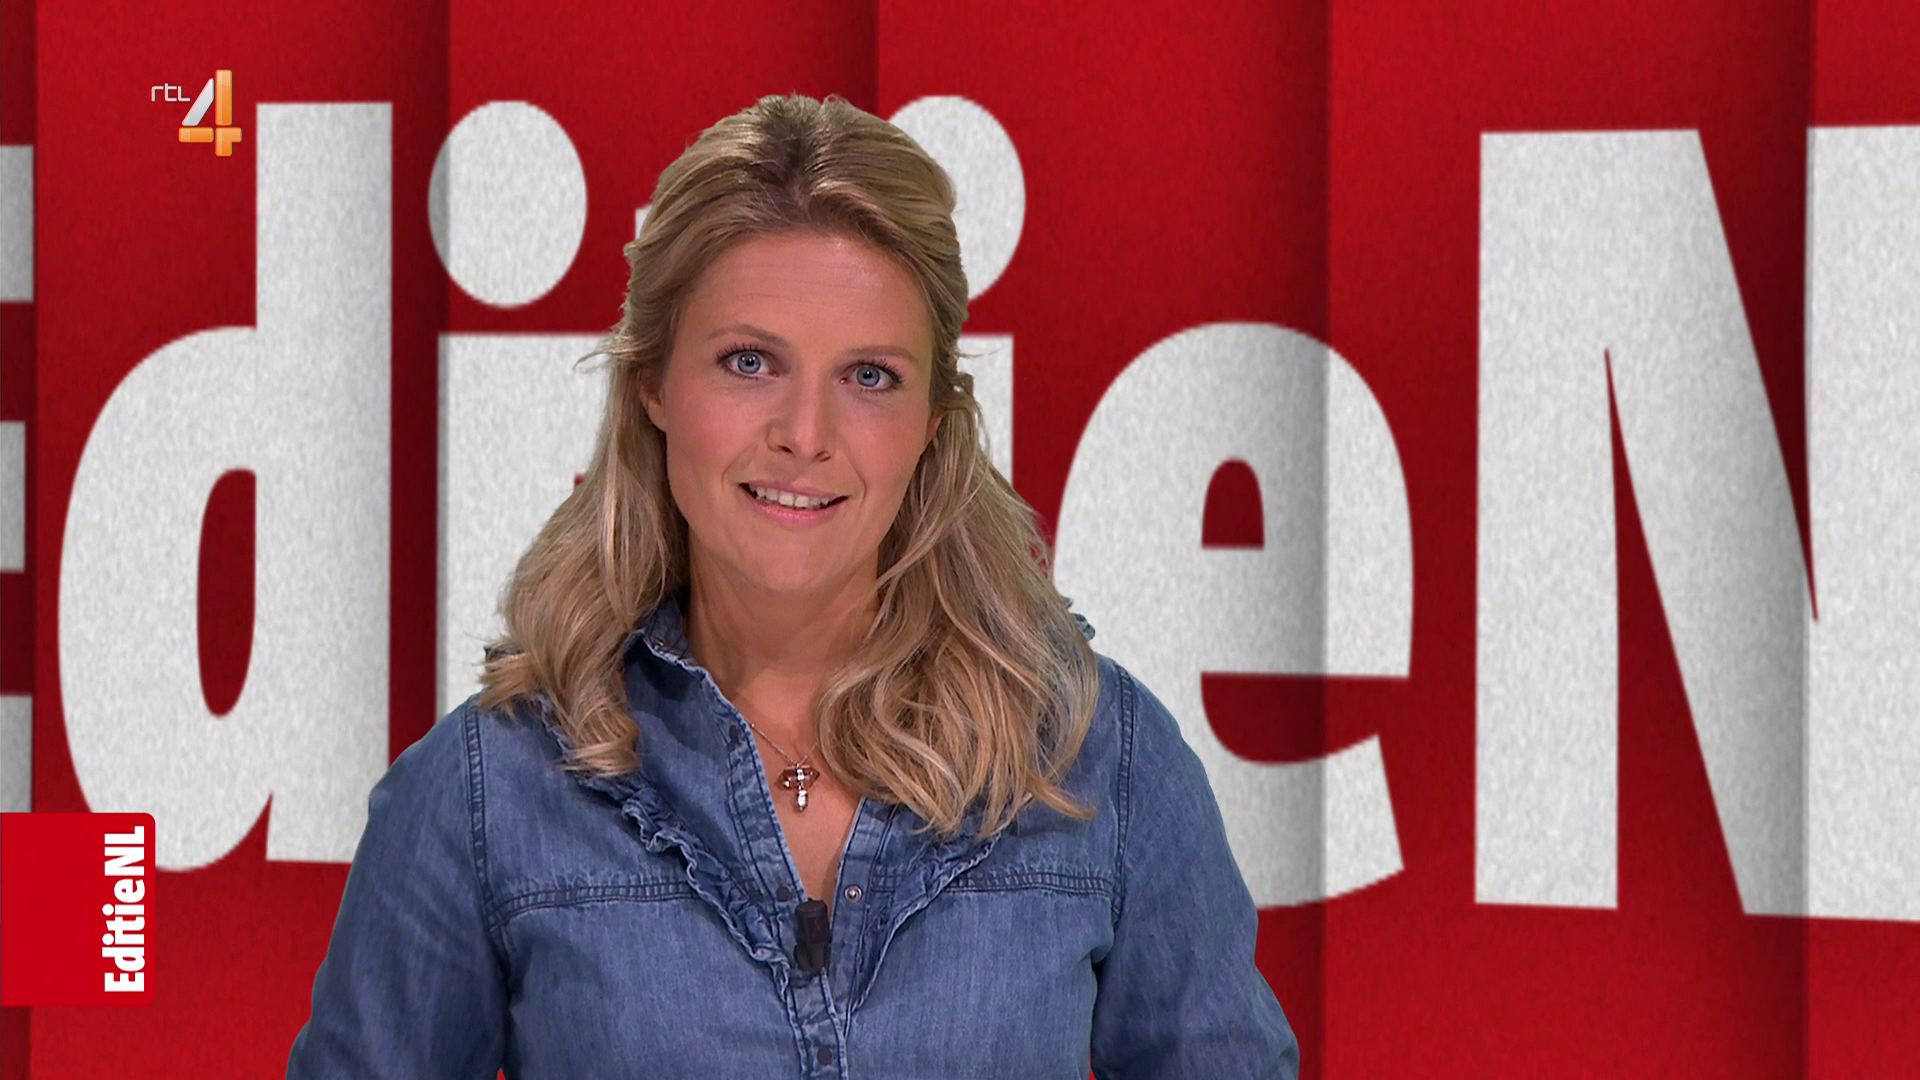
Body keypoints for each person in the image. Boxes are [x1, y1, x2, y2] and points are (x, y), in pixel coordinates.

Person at [287, 91, 1298, 1079]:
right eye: (749, 362)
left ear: (932, 420)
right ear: (653, 384)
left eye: (869, 377)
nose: (805, 435)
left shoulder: (1096, 757)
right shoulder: (485, 790)